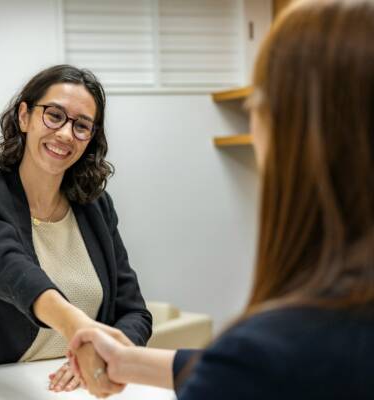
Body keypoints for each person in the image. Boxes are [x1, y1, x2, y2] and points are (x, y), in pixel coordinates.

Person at [69, 0, 374, 398]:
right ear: (23, 117)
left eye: (257, 106)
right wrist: (130, 361)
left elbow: (260, 367)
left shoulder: (272, 351)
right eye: (53, 116)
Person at [0, 65, 152, 394]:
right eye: (54, 115)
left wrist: (103, 356)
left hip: (76, 385)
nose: (65, 134)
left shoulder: (96, 207)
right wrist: (79, 328)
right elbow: (14, 273)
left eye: (81, 126)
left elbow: (134, 313)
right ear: (24, 117)